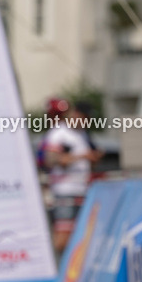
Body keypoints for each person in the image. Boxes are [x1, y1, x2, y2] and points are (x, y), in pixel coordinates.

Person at [43, 100, 103, 252]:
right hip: (65, 191)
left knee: (82, 236)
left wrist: (94, 158)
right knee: (63, 238)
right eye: (85, 118)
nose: (87, 122)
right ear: (76, 114)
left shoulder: (83, 135)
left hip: (83, 190)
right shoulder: (59, 133)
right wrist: (83, 156)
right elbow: (51, 159)